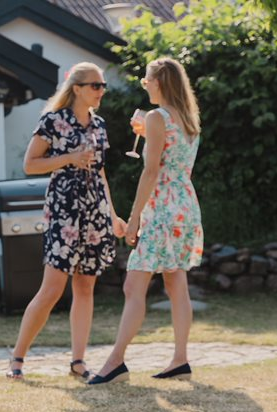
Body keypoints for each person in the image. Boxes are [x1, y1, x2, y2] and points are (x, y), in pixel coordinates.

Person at [6, 62, 126, 381]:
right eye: (95, 86)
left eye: (103, 86)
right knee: (52, 289)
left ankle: (78, 361)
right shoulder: (53, 120)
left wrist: (112, 215)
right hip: (64, 209)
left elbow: (101, 172)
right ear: (77, 88)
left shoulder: (99, 125)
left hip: (95, 210)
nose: (101, 91)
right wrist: (69, 159)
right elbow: (30, 164)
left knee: (86, 285)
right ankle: (17, 358)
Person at [89, 58, 202, 385]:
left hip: (162, 207)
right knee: (175, 283)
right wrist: (147, 131)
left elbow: (151, 171)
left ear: (161, 82)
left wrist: (135, 217)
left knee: (133, 285)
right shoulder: (188, 118)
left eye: (147, 80)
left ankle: (115, 361)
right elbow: (171, 155)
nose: (145, 84)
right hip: (185, 204)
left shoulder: (157, 117)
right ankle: (180, 359)